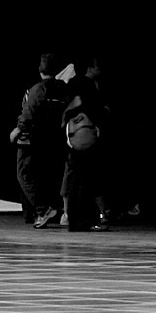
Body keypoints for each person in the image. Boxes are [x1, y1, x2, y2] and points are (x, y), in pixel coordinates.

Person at [10, 54, 69, 228]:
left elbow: (29, 112)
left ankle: (42, 208)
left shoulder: (38, 89)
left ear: (40, 70)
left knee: (24, 174)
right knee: (51, 174)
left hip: (32, 138)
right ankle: (60, 209)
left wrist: (17, 130)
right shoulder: (64, 89)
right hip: (54, 138)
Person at [63, 56, 109, 232]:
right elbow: (94, 108)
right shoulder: (89, 86)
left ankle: (73, 219)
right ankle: (87, 220)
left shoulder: (70, 84)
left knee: (74, 178)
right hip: (87, 135)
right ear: (90, 68)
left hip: (72, 136)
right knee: (88, 179)